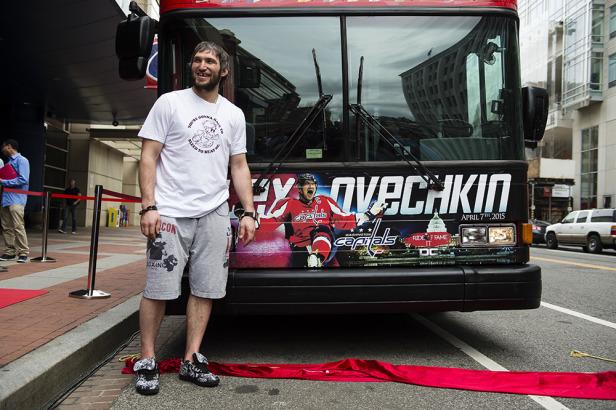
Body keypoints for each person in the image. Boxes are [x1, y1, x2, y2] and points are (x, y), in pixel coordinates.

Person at [132, 41, 257, 396]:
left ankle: (191, 358)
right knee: (158, 289)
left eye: (210, 61)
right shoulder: (169, 103)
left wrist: (249, 212)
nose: (202, 66)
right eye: (197, 60)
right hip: (169, 213)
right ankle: (147, 360)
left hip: (214, 213)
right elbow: (148, 156)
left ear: (223, 70)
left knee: (206, 289)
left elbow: (238, 165)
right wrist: (148, 206)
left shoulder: (233, 114)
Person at [258, 173, 386, 268]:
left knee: (322, 229)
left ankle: (317, 258)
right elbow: (271, 221)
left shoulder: (325, 201)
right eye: (307, 184)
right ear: (299, 188)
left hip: (325, 248)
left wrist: (368, 215)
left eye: (313, 184)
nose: (311, 186)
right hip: (300, 251)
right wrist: (252, 218)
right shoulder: (289, 204)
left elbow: (343, 219)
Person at [0, 139, 30, 263]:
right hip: (6, 199)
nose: (2, 149)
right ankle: (10, 252)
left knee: (18, 226)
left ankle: (23, 252)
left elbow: (23, 179)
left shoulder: (22, 160)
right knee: (6, 227)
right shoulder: (8, 162)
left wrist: (3, 182)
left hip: (17, 199)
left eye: (3, 147)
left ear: (9, 146)